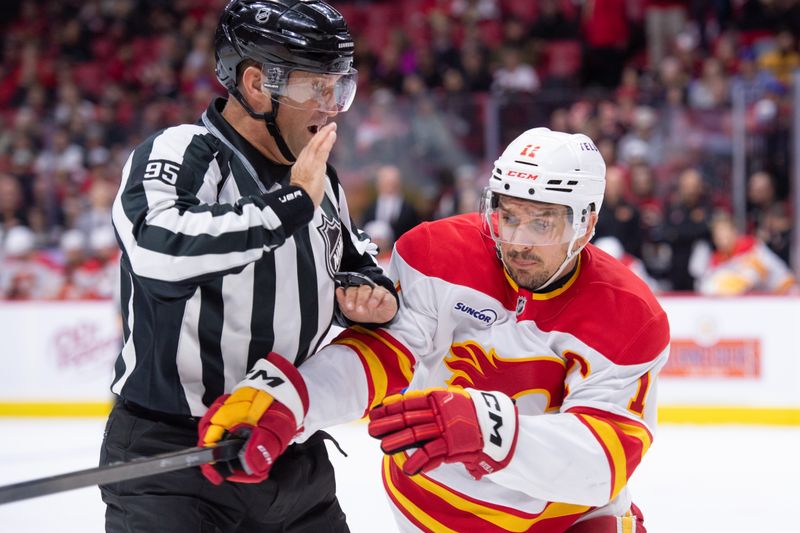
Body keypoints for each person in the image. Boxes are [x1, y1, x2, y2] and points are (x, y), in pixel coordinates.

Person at [99, 1, 398, 532]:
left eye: (340, 88)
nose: (332, 107)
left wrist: (370, 294)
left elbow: (351, 258)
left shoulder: (318, 180)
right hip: (176, 460)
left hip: (287, 450)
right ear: (258, 84)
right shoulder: (185, 152)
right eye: (316, 88)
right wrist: (290, 205)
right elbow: (158, 253)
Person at [288, 128, 670, 532]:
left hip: (564, 516)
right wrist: (290, 399)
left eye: (542, 225)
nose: (518, 242)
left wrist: (489, 429)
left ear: (586, 223)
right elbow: (382, 354)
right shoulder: (436, 253)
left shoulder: (628, 315)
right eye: (508, 216)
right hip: (430, 508)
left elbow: (601, 460)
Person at [697, 211, 797, 296]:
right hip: (761, 299)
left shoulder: (751, 247)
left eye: (725, 234)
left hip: (785, 291)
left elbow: (752, 277)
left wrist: (725, 284)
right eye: (719, 236)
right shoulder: (717, 258)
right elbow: (705, 286)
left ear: (734, 233)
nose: (723, 240)